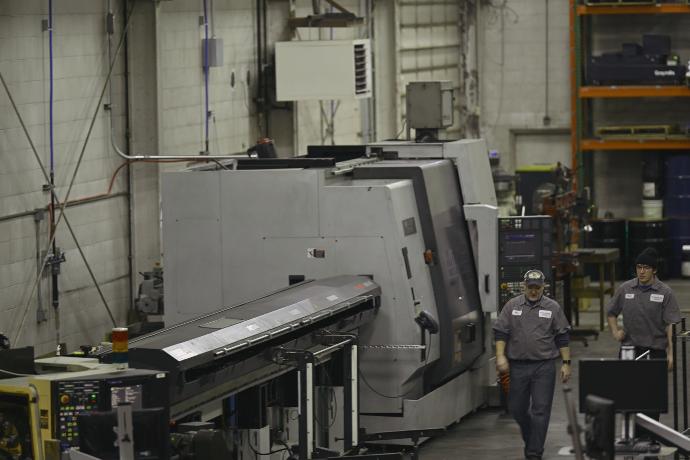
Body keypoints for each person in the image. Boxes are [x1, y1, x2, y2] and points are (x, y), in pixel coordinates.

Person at [494, 269, 572, 460]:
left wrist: (566, 363)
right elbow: (501, 333)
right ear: (524, 286)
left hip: (544, 366)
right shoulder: (512, 306)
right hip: (517, 366)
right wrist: (500, 356)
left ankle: (534, 452)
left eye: (537, 287)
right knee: (517, 408)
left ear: (543, 287)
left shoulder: (552, 308)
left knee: (540, 409)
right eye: (530, 287)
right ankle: (532, 439)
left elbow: (562, 336)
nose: (534, 291)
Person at [607, 247, 681, 368]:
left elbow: (671, 325)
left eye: (646, 268)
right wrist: (615, 331)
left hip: (655, 350)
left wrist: (671, 353)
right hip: (629, 348)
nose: (641, 271)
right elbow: (611, 312)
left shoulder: (665, 292)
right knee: (626, 385)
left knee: (654, 386)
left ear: (654, 270)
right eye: (639, 267)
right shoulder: (625, 288)